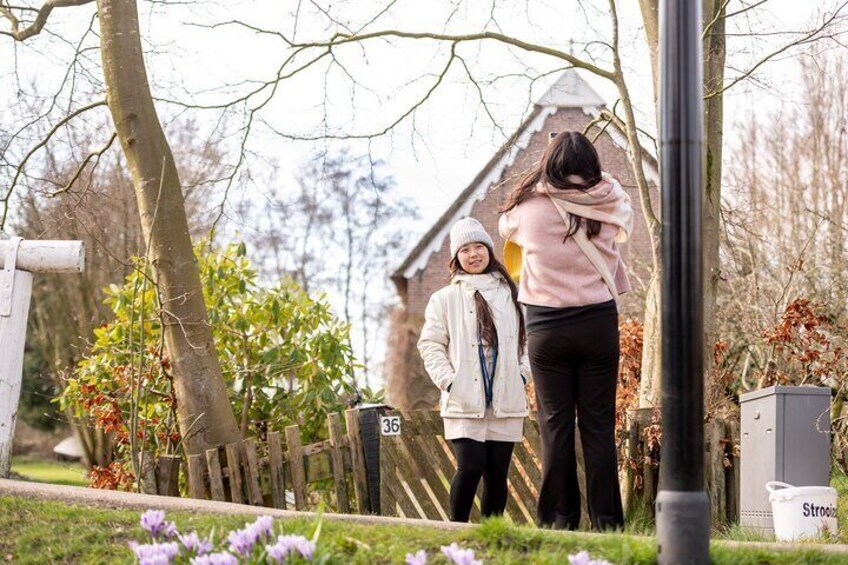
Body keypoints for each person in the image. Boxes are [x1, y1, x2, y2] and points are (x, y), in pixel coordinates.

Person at [499, 131, 632, 531]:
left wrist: (539, 182)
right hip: (597, 323)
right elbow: (623, 209)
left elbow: (506, 227)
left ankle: (560, 520)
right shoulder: (610, 199)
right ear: (591, 163)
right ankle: (608, 523)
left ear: (551, 163)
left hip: (546, 327)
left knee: (555, 426)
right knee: (598, 426)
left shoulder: (529, 209)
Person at [418, 217, 531, 523]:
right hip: (464, 400)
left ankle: (490, 539)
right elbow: (430, 345)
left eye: (478, 246)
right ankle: (455, 534)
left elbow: (529, 340)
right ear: (457, 258)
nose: (473, 254)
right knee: (470, 467)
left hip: (505, 398)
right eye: (465, 249)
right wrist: (449, 381)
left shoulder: (512, 293)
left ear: (489, 250)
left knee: (497, 474)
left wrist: (522, 375)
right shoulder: (443, 299)